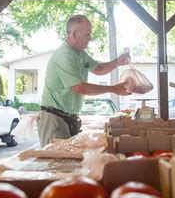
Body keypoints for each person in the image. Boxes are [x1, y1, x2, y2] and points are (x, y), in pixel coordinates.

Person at [38, 14, 131, 146]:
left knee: (69, 162)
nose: (90, 38)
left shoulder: (80, 53)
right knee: (55, 162)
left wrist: (117, 62)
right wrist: (113, 89)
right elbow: (79, 87)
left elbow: (98, 68)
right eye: (87, 35)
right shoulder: (65, 55)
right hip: (54, 120)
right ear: (75, 34)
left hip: (68, 118)